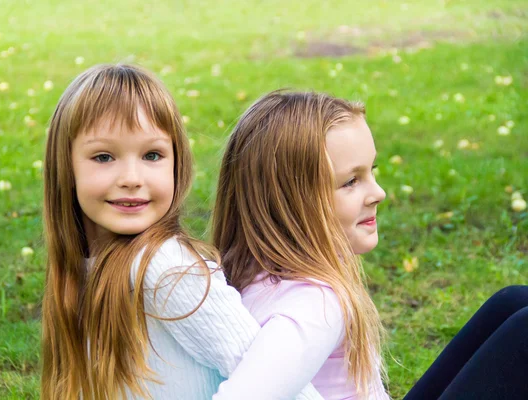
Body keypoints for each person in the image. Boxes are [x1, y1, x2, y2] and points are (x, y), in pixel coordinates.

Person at [212, 90, 528, 400]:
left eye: (371, 171)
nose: (379, 193)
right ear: (287, 203)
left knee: (514, 301)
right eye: (351, 181)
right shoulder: (314, 306)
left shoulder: (249, 270)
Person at [40, 65, 322, 400]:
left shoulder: (167, 266)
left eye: (152, 155)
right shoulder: (82, 267)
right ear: (65, 167)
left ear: (177, 162)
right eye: (104, 156)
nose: (131, 177)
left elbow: (274, 379)